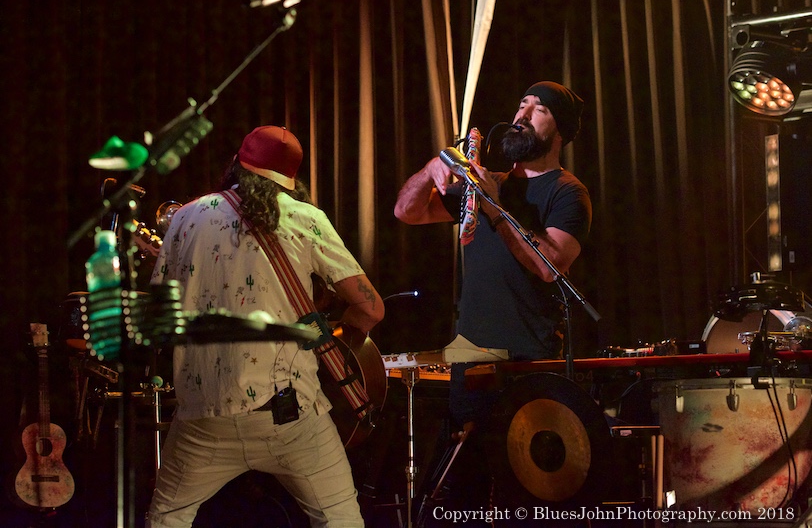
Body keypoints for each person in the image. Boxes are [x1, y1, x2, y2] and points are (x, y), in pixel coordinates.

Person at [146, 125, 384, 528]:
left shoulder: (186, 217)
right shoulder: (306, 219)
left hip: (204, 417)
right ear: (290, 180)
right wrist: (338, 338)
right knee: (341, 519)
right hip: (289, 416)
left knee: (167, 518)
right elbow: (371, 308)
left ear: (237, 164)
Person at [394, 81, 591, 514]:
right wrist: (432, 168)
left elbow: (549, 265)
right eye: (521, 104)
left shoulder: (567, 192)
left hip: (530, 353)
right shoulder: (484, 183)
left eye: (538, 109)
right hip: (473, 348)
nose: (521, 115)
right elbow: (406, 211)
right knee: (467, 478)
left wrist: (494, 207)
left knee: (525, 481)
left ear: (559, 131)